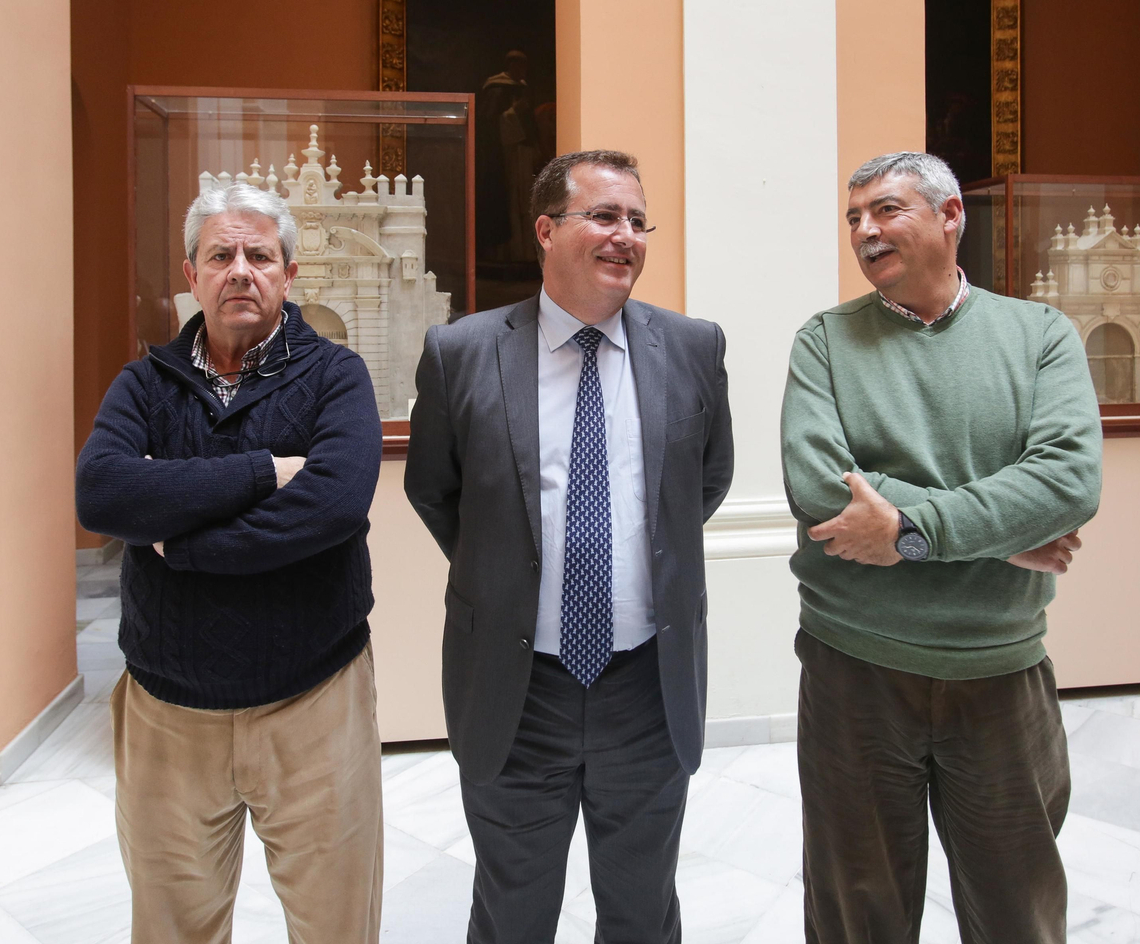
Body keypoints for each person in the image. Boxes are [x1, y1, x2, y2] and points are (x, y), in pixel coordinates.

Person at [405, 149, 734, 943]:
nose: (626, 236)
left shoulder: (694, 347)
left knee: (642, 908)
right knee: (513, 910)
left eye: (636, 220)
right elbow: (435, 491)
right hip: (517, 690)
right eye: (604, 216)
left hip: (646, 688)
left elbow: (708, 480)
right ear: (547, 231)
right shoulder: (462, 353)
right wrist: (514, 572)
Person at [780, 151, 1102, 944]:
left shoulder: (1039, 335)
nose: (864, 231)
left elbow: (1067, 484)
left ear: (950, 215)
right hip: (855, 671)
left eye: (886, 210)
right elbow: (823, 490)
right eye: (854, 217)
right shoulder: (825, 341)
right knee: (859, 911)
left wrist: (914, 531)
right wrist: (999, 541)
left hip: (998, 672)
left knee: (1015, 909)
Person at [76, 182, 384, 944]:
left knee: (335, 924)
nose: (240, 270)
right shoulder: (144, 385)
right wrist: (259, 472)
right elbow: (103, 493)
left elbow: (333, 506)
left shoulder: (337, 377)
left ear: (289, 271)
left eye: (259, 254)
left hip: (313, 704)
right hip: (168, 714)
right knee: (173, 925)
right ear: (192, 275)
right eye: (221, 255)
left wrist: (180, 543)